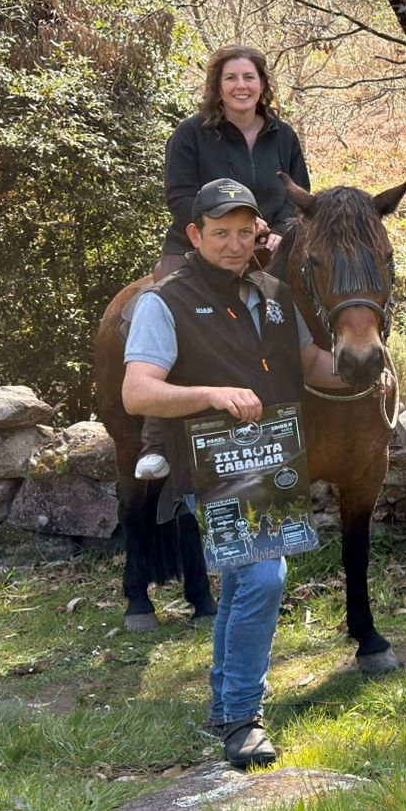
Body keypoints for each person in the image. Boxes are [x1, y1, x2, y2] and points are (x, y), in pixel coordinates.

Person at [120, 179, 352, 769]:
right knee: (266, 579)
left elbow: (309, 365)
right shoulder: (162, 302)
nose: (232, 243)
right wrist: (212, 393)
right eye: (219, 232)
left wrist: (360, 366)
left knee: (247, 584)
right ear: (195, 235)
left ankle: (227, 705)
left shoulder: (276, 293)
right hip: (211, 469)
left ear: (258, 235)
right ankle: (244, 716)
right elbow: (137, 391)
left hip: (271, 465)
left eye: (243, 232)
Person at [137, 45, 311, 483]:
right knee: (162, 306)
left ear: (262, 85)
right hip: (197, 242)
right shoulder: (191, 134)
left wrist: (277, 230)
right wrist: (220, 230)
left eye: (249, 78)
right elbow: (178, 197)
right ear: (218, 86)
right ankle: (155, 438)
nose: (240, 86)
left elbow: (299, 198)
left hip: (270, 243)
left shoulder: (284, 136)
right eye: (231, 78)